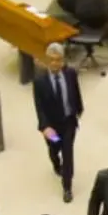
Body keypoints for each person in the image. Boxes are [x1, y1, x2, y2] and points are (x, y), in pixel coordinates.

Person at [32, 41, 83, 204]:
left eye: (59, 59)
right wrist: (45, 126)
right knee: (55, 147)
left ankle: (67, 187)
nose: (55, 63)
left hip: (68, 122)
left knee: (68, 153)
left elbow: (76, 92)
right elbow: (39, 107)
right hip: (52, 127)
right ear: (47, 60)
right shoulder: (40, 81)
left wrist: (79, 109)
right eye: (52, 59)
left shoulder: (70, 74)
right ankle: (55, 162)